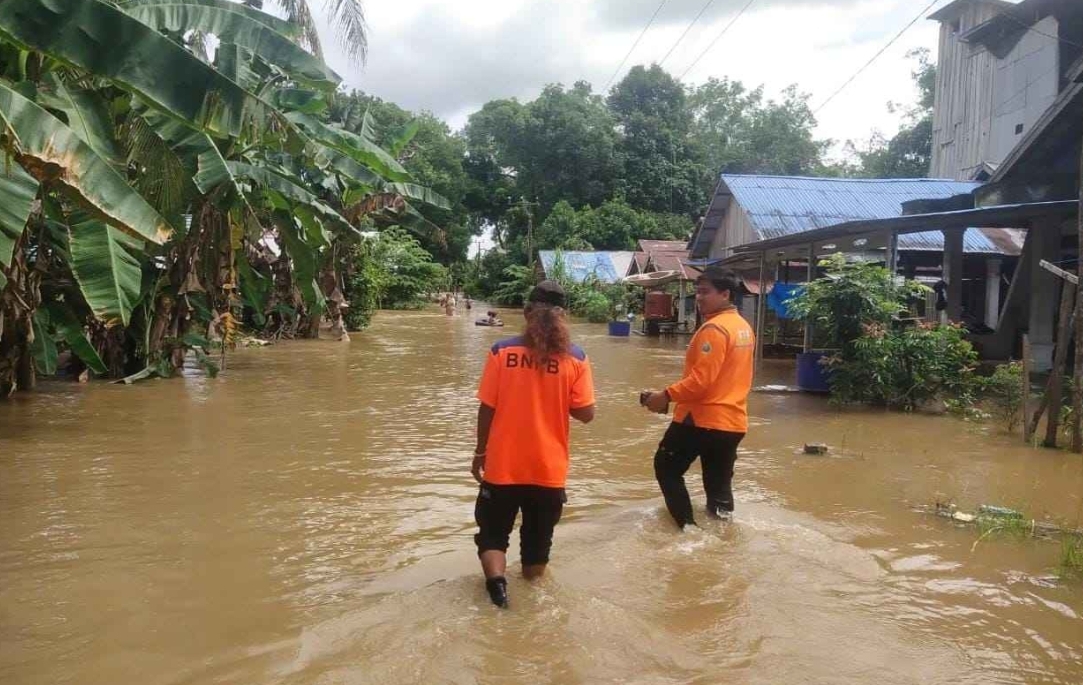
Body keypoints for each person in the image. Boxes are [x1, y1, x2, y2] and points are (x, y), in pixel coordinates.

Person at [471, 281, 596, 608]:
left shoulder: (502, 352)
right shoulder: (576, 358)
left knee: (493, 534)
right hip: (548, 470)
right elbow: (586, 414)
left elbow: (487, 407)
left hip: (502, 467)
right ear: (563, 316)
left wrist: (479, 452)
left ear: (527, 313)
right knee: (538, 545)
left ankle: (498, 590)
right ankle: (534, 603)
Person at [641, 267, 754, 529]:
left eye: (705, 292)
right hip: (732, 422)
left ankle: (688, 530)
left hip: (701, 419)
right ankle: (723, 534)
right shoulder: (743, 327)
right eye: (697, 292)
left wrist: (665, 396)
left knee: (667, 468)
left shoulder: (714, 329)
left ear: (725, 294)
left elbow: (701, 382)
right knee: (718, 486)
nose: (699, 298)